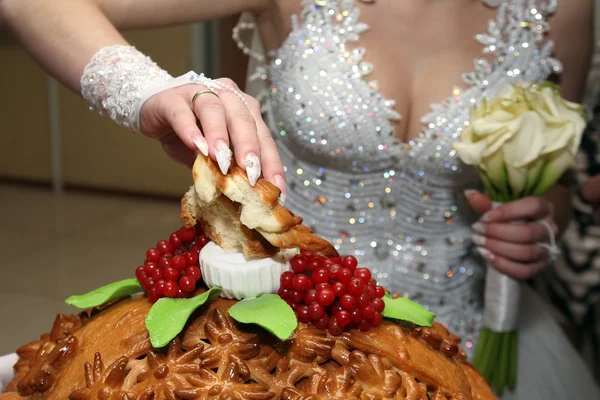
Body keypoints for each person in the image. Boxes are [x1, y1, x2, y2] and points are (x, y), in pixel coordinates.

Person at [1, 0, 599, 398]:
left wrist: (538, 222)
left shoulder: (559, 10)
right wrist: (151, 92)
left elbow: (552, 185)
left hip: (466, 331)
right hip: (281, 343)